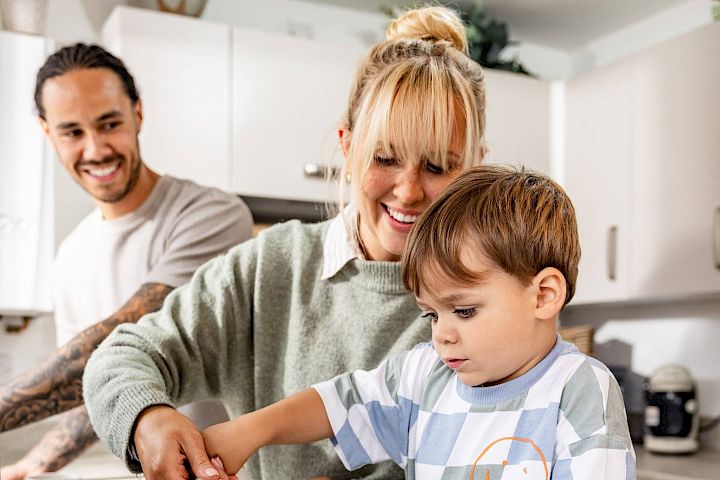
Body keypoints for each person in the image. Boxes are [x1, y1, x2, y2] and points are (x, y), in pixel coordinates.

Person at [83, 5, 487, 480]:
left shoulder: (486, 302)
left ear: (474, 167)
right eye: (385, 158)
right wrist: (147, 422)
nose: (409, 190)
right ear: (347, 149)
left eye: (438, 166)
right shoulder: (272, 267)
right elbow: (121, 357)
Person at [200, 166, 637, 480]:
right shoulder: (425, 374)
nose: (442, 334)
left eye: (464, 310)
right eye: (431, 314)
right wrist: (248, 432)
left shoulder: (579, 390)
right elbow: (339, 404)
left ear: (543, 295)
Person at [0, 44, 253, 480]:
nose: (95, 149)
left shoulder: (211, 215)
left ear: (138, 114)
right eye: (72, 132)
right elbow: (96, 389)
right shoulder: (70, 258)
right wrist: (31, 466)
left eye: (109, 123)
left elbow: (120, 345)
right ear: (47, 133)